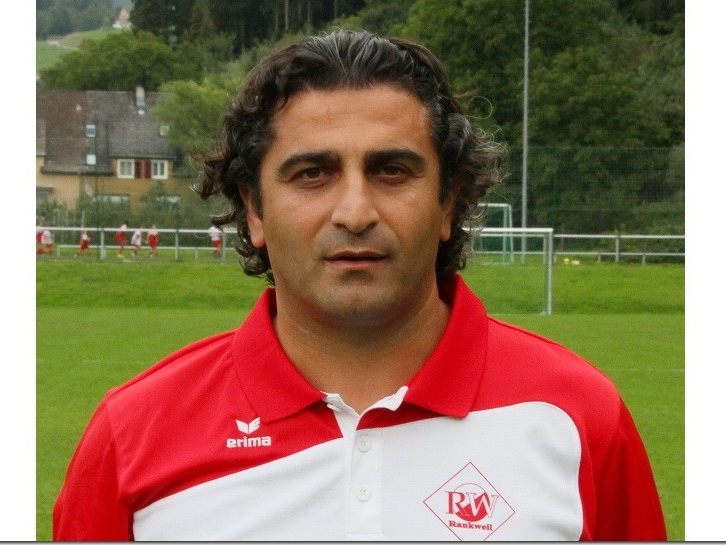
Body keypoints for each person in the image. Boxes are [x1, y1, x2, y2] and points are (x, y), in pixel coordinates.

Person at [53, 30, 666, 541]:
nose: (354, 212)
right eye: (312, 173)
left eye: (391, 170)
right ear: (255, 210)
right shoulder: (133, 436)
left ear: (448, 202)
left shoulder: (580, 417)